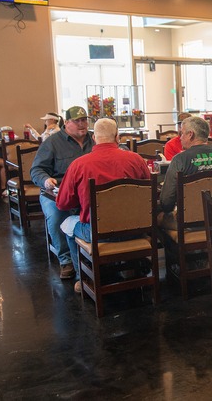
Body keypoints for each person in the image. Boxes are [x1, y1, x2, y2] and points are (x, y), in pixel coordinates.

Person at [55, 118, 150, 292]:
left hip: (99, 233)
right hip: (136, 229)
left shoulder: (79, 164)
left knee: (67, 224)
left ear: (93, 138)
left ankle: (81, 278)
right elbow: (148, 194)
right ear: (117, 137)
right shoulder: (136, 160)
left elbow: (62, 204)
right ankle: (132, 267)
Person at [30, 106, 94, 281]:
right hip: (56, 192)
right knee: (56, 213)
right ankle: (65, 259)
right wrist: (46, 180)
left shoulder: (95, 139)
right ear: (66, 123)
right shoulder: (52, 143)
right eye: (77, 121)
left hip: (87, 192)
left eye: (84, 120)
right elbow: (36, 170)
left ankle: (97, 255)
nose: (82, 124)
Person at [159, 116, 212, 229]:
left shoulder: (179, 160)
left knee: (158, 218)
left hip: (190, 225)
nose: (180, 138)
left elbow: (166, 202)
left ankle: (174, 246)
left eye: (182, 133)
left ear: (190, 134)